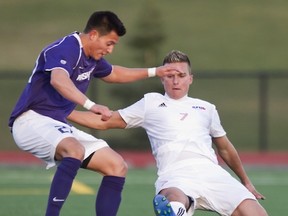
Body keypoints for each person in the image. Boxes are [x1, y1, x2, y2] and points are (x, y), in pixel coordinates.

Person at [8, 11, 179, 216]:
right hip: (30, 120)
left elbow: (114, 73)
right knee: (75, 149)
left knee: (116, 165)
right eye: (110, 43)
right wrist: (90, 105)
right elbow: (58, 80)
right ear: (94, 35)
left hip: (55, 124)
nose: (110, 49)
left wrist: (155, 71)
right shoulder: (66, 47)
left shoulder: (92, 57)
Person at [67, 50, 268, 216]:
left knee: (256, 213)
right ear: (163, 78)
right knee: (173, 203)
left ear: (190, 78)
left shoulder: (207, 108)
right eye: (170, 76)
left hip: (212, 173)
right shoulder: (151, 102)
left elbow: (225, 148)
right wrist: (64, 112)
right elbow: (105, 122)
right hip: (176, 175)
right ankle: (174, 210)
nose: (175, 81)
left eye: (181, 75)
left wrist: (246, 182)